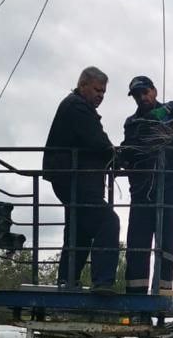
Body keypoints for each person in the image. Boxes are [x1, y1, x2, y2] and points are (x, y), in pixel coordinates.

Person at [43, 66, 120, 291]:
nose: (101, 95)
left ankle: (67, 279)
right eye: (97, 90)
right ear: (83, 85)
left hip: (75, 180)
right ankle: (103, 282)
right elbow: (97, 140)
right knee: (108, 222)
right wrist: (116, 155)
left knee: (80, 229)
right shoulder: (77, 107)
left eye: (103, 92)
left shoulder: (77, 106)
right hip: (74, 180)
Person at [121, 75, 173, 295]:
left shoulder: (172, 113)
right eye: (137, 95)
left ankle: (163, 291)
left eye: (145, 92)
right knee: (137, 243)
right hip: (144, 191)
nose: (142, 98)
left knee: (167, 243)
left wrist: (166, 111)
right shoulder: (133, 123)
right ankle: (135, 296)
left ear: (153, 91)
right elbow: (130, 149)